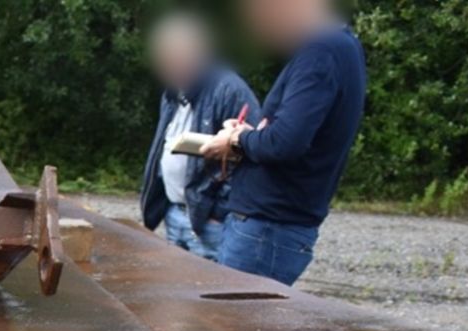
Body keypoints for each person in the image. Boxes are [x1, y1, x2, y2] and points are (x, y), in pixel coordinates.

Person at [200, 0, 366, 285]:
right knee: (240, 326)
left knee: (237, 328)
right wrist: (252, 134)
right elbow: (290, 134)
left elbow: (284, 143)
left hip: (268, 229)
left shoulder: (321, 53)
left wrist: (236, 138)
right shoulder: (341, 47)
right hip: (271, 227)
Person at [138, 13, 257, 261]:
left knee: (205, 296)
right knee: (173, 294)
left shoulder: (229, 89)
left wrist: (218, 213)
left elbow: (252, 154)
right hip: (174, 212)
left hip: (209, 223)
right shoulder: (172, 91)